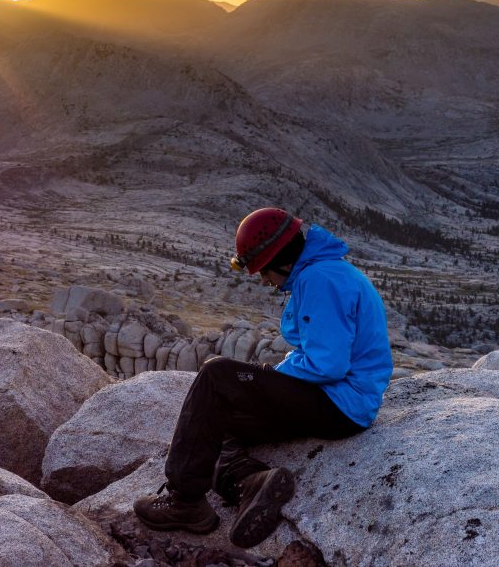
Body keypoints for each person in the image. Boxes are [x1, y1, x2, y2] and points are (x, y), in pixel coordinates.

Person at [133, 207, 393, 548]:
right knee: (210, 425)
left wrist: (266, 379)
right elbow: (319, 355)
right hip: (339, 401)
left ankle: (184, 501)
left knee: (216, 375)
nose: (264, 281)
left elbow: (328, 365)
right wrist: (267, 385)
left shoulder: (320, 279)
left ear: (280, 258)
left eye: (262, 271)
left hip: (340, 403)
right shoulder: (322, 273)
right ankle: (248, 482)